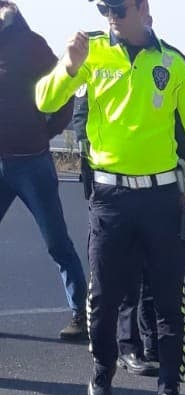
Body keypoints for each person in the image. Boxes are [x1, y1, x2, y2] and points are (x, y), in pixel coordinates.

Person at [35, 0, 185, 395]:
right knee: (103, 297)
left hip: (161, 199)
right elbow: (44, 101)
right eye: (106, 9)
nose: (111, 17)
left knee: (169, 300)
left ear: (143, 8)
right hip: (110, 198)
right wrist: (68, 65)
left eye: (119, 9)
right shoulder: (93, 52)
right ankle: (103, 367)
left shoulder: (172, 63)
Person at [71, 63, 185, 377]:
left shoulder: (166, 64)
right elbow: (80, 122)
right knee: (123, 279)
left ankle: (155, 343)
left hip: (161, 188)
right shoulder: (99, 64)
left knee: (159, 277)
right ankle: (128, 348)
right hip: (113, 190)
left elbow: (183, 135)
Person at [0, 0, 88, 340]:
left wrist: (46, 131)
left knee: (56, 241)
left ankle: (81, 314)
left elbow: (64, 94)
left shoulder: (32, 45)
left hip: (32, 163)